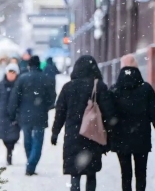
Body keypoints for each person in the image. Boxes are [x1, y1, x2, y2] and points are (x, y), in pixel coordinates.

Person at [51, 55, 115, 191]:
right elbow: (108, 113)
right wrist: (109, 137)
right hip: (93, 135)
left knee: (75, 174)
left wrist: (55, 133)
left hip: (73, 136)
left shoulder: (68, 88)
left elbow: (60, 113)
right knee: (91, 174)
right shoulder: (99, 86)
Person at [109, 54, 155, 191]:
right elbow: (153, 113)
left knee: (125, 173)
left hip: (121, 138)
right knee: (141, 172)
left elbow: (110, 114)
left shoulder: (114, 90)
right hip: (142, 137)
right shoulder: (146, 89)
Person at [8, 55, 56, 175]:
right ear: (39, 64)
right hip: (40, 115)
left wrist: (12, 113)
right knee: (38, 142)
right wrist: (46, 107)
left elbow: (14, 97)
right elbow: (52, 97)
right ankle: (31, 164)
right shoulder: (45, 78)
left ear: (29, 65)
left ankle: (30, 162)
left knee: (27, 140)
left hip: (25, 115)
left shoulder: (22, 79)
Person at [0, 62, 20, 166]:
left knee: (13, 137)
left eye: (13, 73)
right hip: (2, 114)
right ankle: (8, 152)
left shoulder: (19, 85)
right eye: (10, 72)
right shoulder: (1, 85)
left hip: (14, 115)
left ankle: (10, 152)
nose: (11, 75)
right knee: (4, 137)